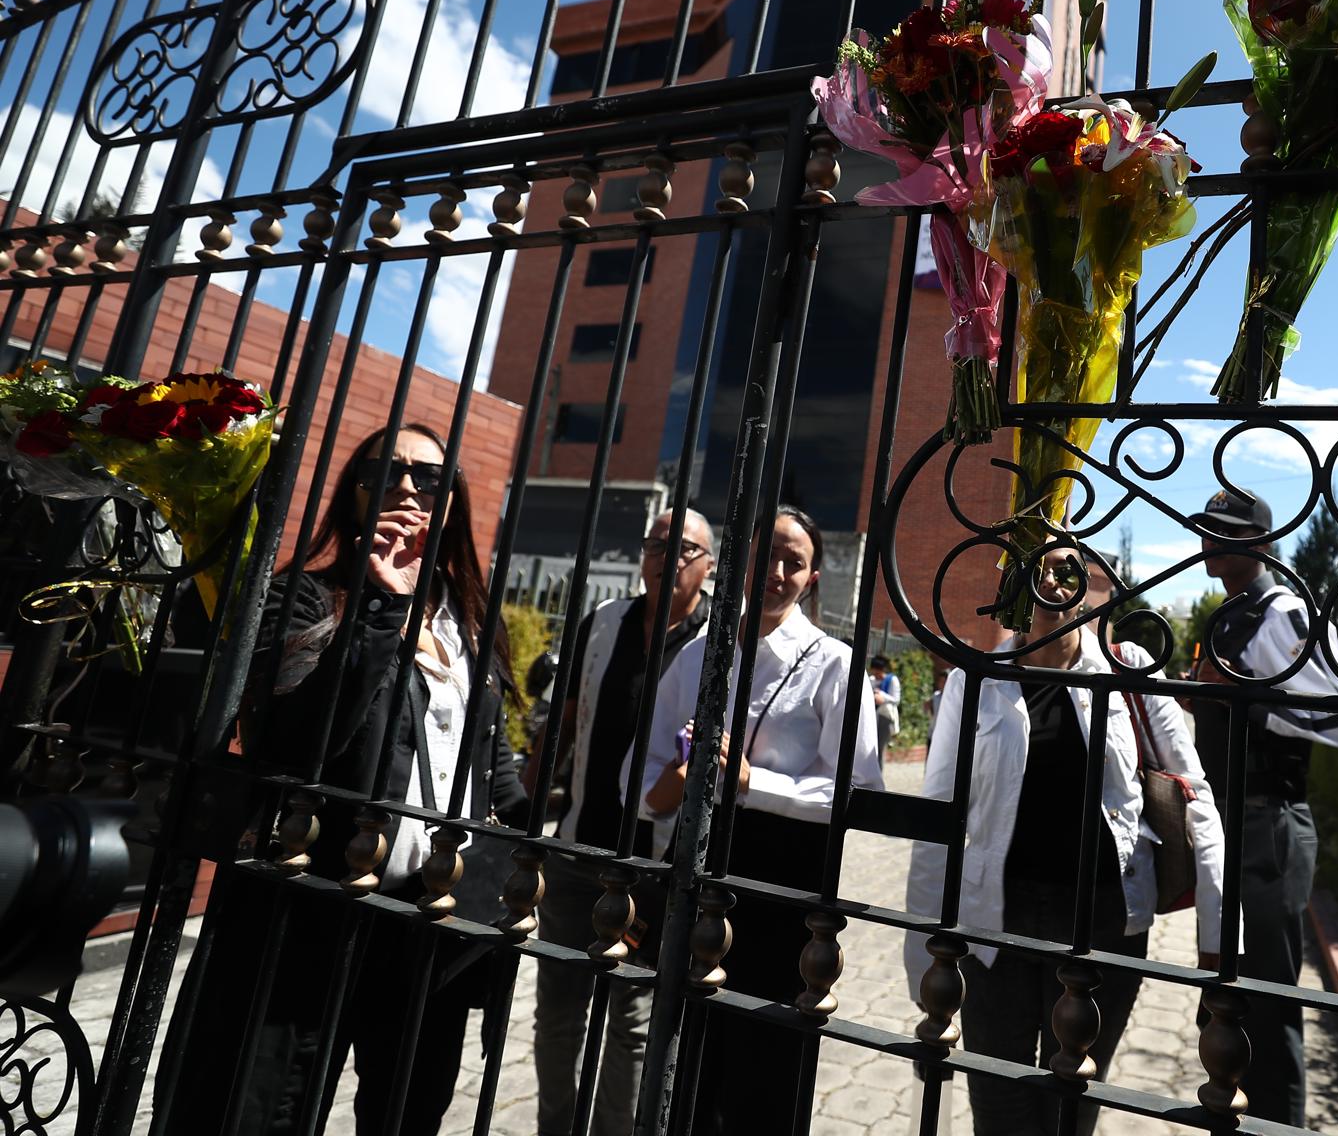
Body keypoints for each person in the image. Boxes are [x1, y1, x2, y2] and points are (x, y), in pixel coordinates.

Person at [165, 423, 527, 1134]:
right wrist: (379, 609)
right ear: (352, 493)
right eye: (383, 473)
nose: (405, 488)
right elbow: (289, 742)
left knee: (406, 1112)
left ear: (451, 499)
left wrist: (521, 851)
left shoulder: (470, 620)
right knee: (265, 1107)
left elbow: (493, 762)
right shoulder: (303, 597)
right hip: (313, 903)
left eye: (428, 477)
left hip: (432, 920)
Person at [904, 545, 1225, 1136]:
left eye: (1065, 566)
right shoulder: (976, 679)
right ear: (1010, 585)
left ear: (1089, 584)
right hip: (994, 922)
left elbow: (1193, 794)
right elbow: (937, 817)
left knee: (1072, 1101)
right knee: (998, 1102)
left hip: (1103, 922)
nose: (1050, 577)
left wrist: (1215, 940)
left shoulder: (1129, 670)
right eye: (1033, 566)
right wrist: (921, 954)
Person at [629, 503, 883, 1134]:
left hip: (784, 882)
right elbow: (639, 771)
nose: (773, 571)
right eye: (762, 555)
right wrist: (672, 785)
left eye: (792, 562)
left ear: (813, 577)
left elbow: (857, 790)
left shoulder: (833, 663)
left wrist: (751, 783)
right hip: (696, 868)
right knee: (689, 1063)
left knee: (766, 1069)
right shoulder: (696, 657)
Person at [1184, 488, 1338, 1126]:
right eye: (1206, 529)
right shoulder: (1232, 612)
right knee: (1228, 990)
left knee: (1269, 997)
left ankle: (1277, 1122)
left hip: (1269, 820)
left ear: (1261, 543)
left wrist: (1246, 695)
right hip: (1228, 817)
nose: (1210, 540)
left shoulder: (1284, 611)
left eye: (1225, 531)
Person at [530, 508, 713, 1136]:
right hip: (578, 850)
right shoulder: (604, 622)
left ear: (710, 565)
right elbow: (567, 716)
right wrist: (531, 783)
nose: (666, 555)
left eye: (683, 547)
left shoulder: (721, 642)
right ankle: (555, 1126)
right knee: (557, 1013)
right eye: (655, 544)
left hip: (655, 868)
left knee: (632, 1026)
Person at [869, 654, 902, 758]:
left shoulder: (892, 680)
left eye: (877, 672)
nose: (876, 675)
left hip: (885, 716)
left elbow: (896, 699)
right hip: (873, 715)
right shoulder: (872, 680)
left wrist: (882, 695)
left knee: (879, 747)